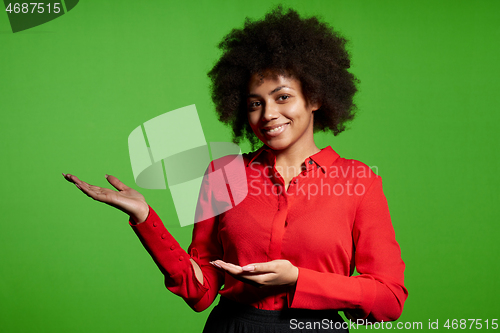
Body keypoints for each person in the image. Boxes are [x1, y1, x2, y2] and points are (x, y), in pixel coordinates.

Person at [63, 6, 407, 333]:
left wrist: (299, 280)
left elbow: (389, 301)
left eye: (283, 97)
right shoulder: (222, 174)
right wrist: (145, 218)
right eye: (255, 103)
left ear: (315, 98)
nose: (268, 113)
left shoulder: (358, 180)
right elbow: (200, 292)